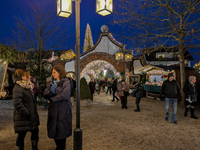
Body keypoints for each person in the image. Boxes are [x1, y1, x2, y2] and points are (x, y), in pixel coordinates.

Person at [43, 65, 72, 150]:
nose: (52, 74)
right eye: (52, 72)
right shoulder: (51, 83)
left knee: (62, 134)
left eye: (54, 72)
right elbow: (45, 94)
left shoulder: (66, 82)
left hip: (63, 111)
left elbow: (65, 95)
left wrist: (52, 98)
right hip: (53, 111)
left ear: (60, 73)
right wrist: (50, 93)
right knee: (54, 133)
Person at [13, 69, 40, 150]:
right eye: (28, 76)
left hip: (31, 116)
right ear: (23, 77)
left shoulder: (27, 86)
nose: (29, 77)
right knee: (21, 135)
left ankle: (34, 147)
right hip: (23, 117)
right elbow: (17, 103)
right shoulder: (18, 88)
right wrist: (27, 113)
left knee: (35, 132)